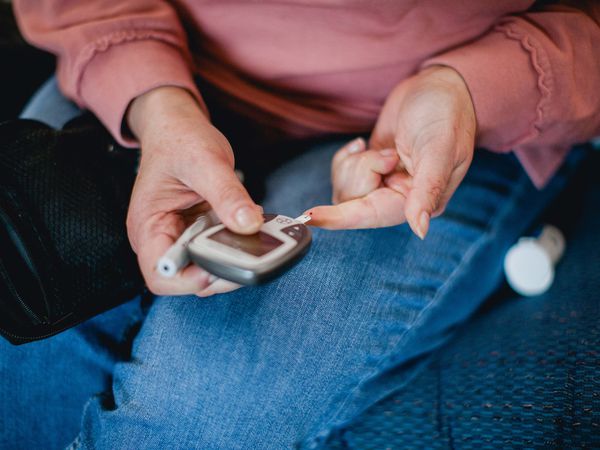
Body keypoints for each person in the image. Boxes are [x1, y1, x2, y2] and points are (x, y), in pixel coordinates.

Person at [2, 1, 599, 448]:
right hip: (148, 73)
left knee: (190, 420)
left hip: (437, 127)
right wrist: (156, 103)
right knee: (28, 334)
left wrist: (470, 89)